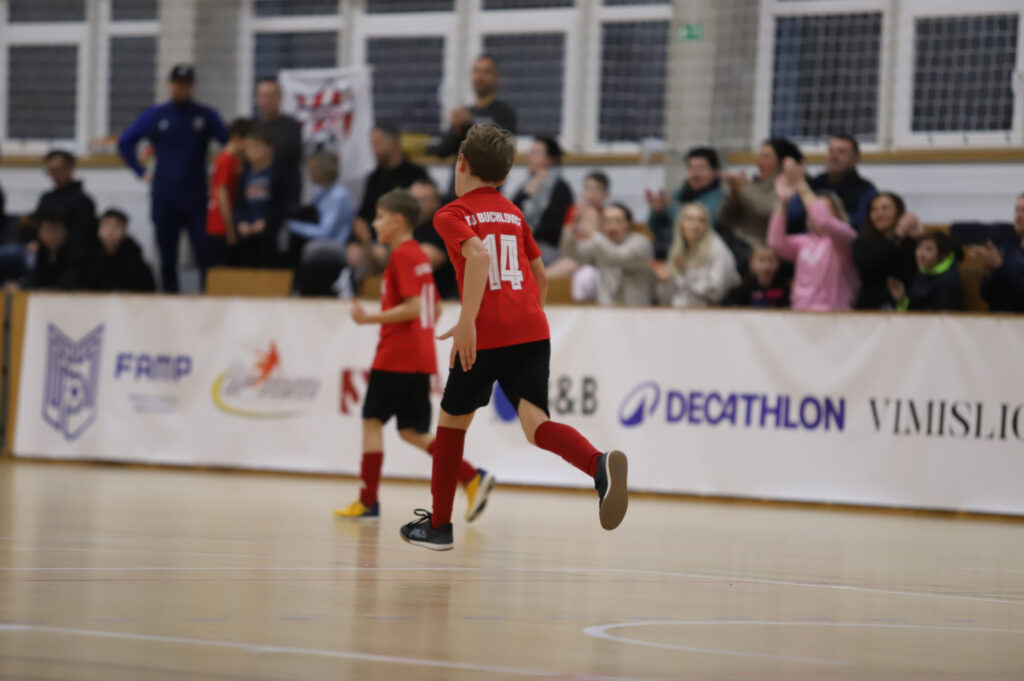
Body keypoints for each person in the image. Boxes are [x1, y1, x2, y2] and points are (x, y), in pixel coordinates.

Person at [399, 124, 628, 551]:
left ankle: (440, 525)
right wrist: (524, 317)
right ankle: (598, 466)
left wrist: (468, 322)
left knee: (451, 423)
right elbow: (540, 275)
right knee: (536, 424)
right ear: (505, 176)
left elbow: (478, 256)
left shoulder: (451, 214)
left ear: (461, 162)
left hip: (484, 333)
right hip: (531, 330)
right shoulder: (513, 212)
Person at [338, 189, 494, 521]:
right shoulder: (420, 257)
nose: (375, 223)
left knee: (372, 421)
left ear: (397, 221)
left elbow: (413, 307)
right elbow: (433, 308)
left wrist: (369, 318)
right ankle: (471, 477)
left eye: (380, 217)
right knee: (411, 431)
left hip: (396, 356)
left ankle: (367, 501)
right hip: (419, 356)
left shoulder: (402, 256)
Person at [118, 64, 228, 291]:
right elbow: (125, 142)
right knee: (167, 256)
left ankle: (209, 298)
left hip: (196, 197)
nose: (181, 89)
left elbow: (228, 144)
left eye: (186, 85)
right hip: (165, 196)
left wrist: (220, 175)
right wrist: (141, 171)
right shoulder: (157, 115)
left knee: (205, 253)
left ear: (192, 87)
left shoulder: (205, 115)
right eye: (178, 84)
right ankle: (170, 297)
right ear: (170, 85)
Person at [768, 160, 859, 311]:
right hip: (802, 311)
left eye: (823, 208)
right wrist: (782, 202)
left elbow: (823, 221)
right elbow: (775, 243)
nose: (814, 212)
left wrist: (800, 183)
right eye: (811, 208)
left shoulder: (846, 236)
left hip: (836, 313)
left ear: (837, 213)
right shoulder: (804, 241)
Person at [352, 124, 430, 277]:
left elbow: (424, 212)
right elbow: (365, 214)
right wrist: (361, 230)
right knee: (354, 253)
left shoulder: (415, 174)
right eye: (372, 145)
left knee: (383, 253)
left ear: (393, 142)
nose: (374, 150)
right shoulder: (373, 178)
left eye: (377, 144)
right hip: (376, 237)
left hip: (407, 235)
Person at [718, 139, 801, 274]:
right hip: (734, 242)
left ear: (783, 163)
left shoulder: (788, 188)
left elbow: (768, 211)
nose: (759, 163)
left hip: (759, 251)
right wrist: (733, 195)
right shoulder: (752, 184)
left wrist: (743, 190)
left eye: (766, 157)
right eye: (760, 156)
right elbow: (723, 218)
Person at [428, 54, 517, 164]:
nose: (480, 77)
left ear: (497, 78)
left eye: (486, 72)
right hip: (461, 173)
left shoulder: (504, 114)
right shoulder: (464, 113)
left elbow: (501, 151)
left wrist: (469, 124)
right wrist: (456, 129)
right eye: (477, 71)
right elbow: (443, 151)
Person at [559, 203, 653, 306]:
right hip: (605, 309)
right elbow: (571, 253)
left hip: (636, 310)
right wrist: (572, 228)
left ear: (628, 224)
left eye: (618, 221)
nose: (612, 226)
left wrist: (593, 233)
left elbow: (617, 257)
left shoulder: (641, 242)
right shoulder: (600, 243)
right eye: (607, 221)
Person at [650, 202, 740, 307]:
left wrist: (687, 273)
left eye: (701, 221)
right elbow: (667, 299)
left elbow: (715, 294)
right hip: (683, 312)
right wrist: (666, 281)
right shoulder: (677, 250)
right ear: (681, 224)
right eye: (690, 220)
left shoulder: (718, 250)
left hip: (717, 312)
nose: (695, 225)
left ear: (707, 226)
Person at [785, 134, 876, 235]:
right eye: (831, 151)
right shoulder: (814, 184)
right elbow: (792, 219)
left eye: (842, 152)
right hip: (807, 240)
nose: (833, 157)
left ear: (856, 159)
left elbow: (859, 224)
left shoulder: (865, 189)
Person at [646, 147, 725, 260]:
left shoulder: (720, 198)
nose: (695, 174)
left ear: (715, 171)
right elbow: (656, 229)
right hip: (673, 252)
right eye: (691, 168)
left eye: (701, 168)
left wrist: (668, 208)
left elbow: (705, 224)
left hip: (703, 255)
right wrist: (657, 212)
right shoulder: (680, 193)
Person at [852, 192, 922, 310]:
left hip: (908, 307)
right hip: (871, 308)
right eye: (874, 210)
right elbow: (873, 264)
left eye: (885, 208)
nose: (879, 214)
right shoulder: (862, 242)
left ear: (898, 212)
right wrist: (898, 234)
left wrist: (921, 238)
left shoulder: (909, 242)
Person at [26, 150, 98, 260]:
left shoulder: (83, 202)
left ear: (71, 169)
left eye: (57, 170)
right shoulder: (46, 198)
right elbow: (36, 225)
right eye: (50, 171)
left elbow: (82, 237)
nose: (53, 175)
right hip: (42, 252)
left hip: (70, 256)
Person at [512, 137, 574, 263]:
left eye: (536, 153)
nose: (530, 157)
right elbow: (510, 212)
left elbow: (554, 228)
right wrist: (526, 193)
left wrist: (527, 232)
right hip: (519, 241)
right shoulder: (526, 185)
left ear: (549, 159)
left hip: (544, 246)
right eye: (530, 152)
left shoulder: (560, 187)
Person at [287, 151, 356, 263]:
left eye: (312, 169)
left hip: (336, 243)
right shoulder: (322, 192)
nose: (309, 174)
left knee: (310, 248)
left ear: (323, 170)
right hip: (324, 240)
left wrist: (292, 225)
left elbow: (324, 232)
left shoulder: (338, 195)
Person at [234, 127, 288, 268]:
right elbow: (239, 204)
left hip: (269, 234)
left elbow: (281, 206)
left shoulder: (277, 175)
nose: (251, 152)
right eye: (248, 148)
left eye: (256, 147)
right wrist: (241, 222)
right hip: (248, 233)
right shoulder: (245, 176)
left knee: (269, 268)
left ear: (269, 150)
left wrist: (267, 222)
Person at [547, 171, 610, 281]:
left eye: (597, 190)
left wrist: (594, 227)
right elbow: (564, 249)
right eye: (588, 189)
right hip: (572, 257)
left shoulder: (608, 215)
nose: (592, 195)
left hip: (596, 260)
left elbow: (606, 249)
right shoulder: (574, 212)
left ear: (605, 195)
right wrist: (573, 227)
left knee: (571, 264)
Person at [207, 118, 252, 267]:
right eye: (247, 141)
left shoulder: (236, 160)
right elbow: (222, 195)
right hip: (221, 227)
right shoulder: (225, 160)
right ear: (236, 138)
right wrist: (230, 230)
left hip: (228, 224)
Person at [969, 193, 1024, 313]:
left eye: (1023, 211)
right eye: (1017, 210)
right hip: (998, 318)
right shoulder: (1007, 247)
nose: (1018, 216)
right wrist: (988, 272)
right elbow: (987, 295)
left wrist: (999, 267)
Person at [254, 77, 304, 210]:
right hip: (257, 200)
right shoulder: (253, 128)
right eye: (263, 96)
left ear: (279, 98)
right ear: (256, 99)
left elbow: (294, 165)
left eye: (271, 96)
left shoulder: (292, 127)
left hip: (285, 200)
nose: (267, 101)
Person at [80, 209, 156, 292]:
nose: (111, 231)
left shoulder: (135, 259)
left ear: (124, 231)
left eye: (117, 226)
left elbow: (147, 288)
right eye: (106, 225)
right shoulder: (85, 257)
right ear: (98, 230)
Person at [888, 232, 963, 312]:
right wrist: (901, 300)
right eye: (918, 247)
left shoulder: (948, 281)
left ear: (942, 254)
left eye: (928, 249)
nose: (920, 254)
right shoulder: (921, 271)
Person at [410, 177, 459, 299]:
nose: (416, 205)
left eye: (422, 200)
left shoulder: (443, 224)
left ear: (436, 202)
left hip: (443, 299)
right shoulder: (406, 224)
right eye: (412, 200)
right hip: (413, 296)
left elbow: (427, 261)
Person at [23, 212, 78, 290]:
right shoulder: (37, 251)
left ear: (66, 232)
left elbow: (68, 282)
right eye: (48, 230)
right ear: (39, 232)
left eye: (56, 230)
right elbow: (31, 279)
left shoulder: (74, 254)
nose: (52, 235)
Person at [724, 244, 790, 308]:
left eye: (771, 260)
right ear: (751, 263)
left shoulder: (784, 287)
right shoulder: (743, 288)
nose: (767, 266)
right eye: (761, 260)